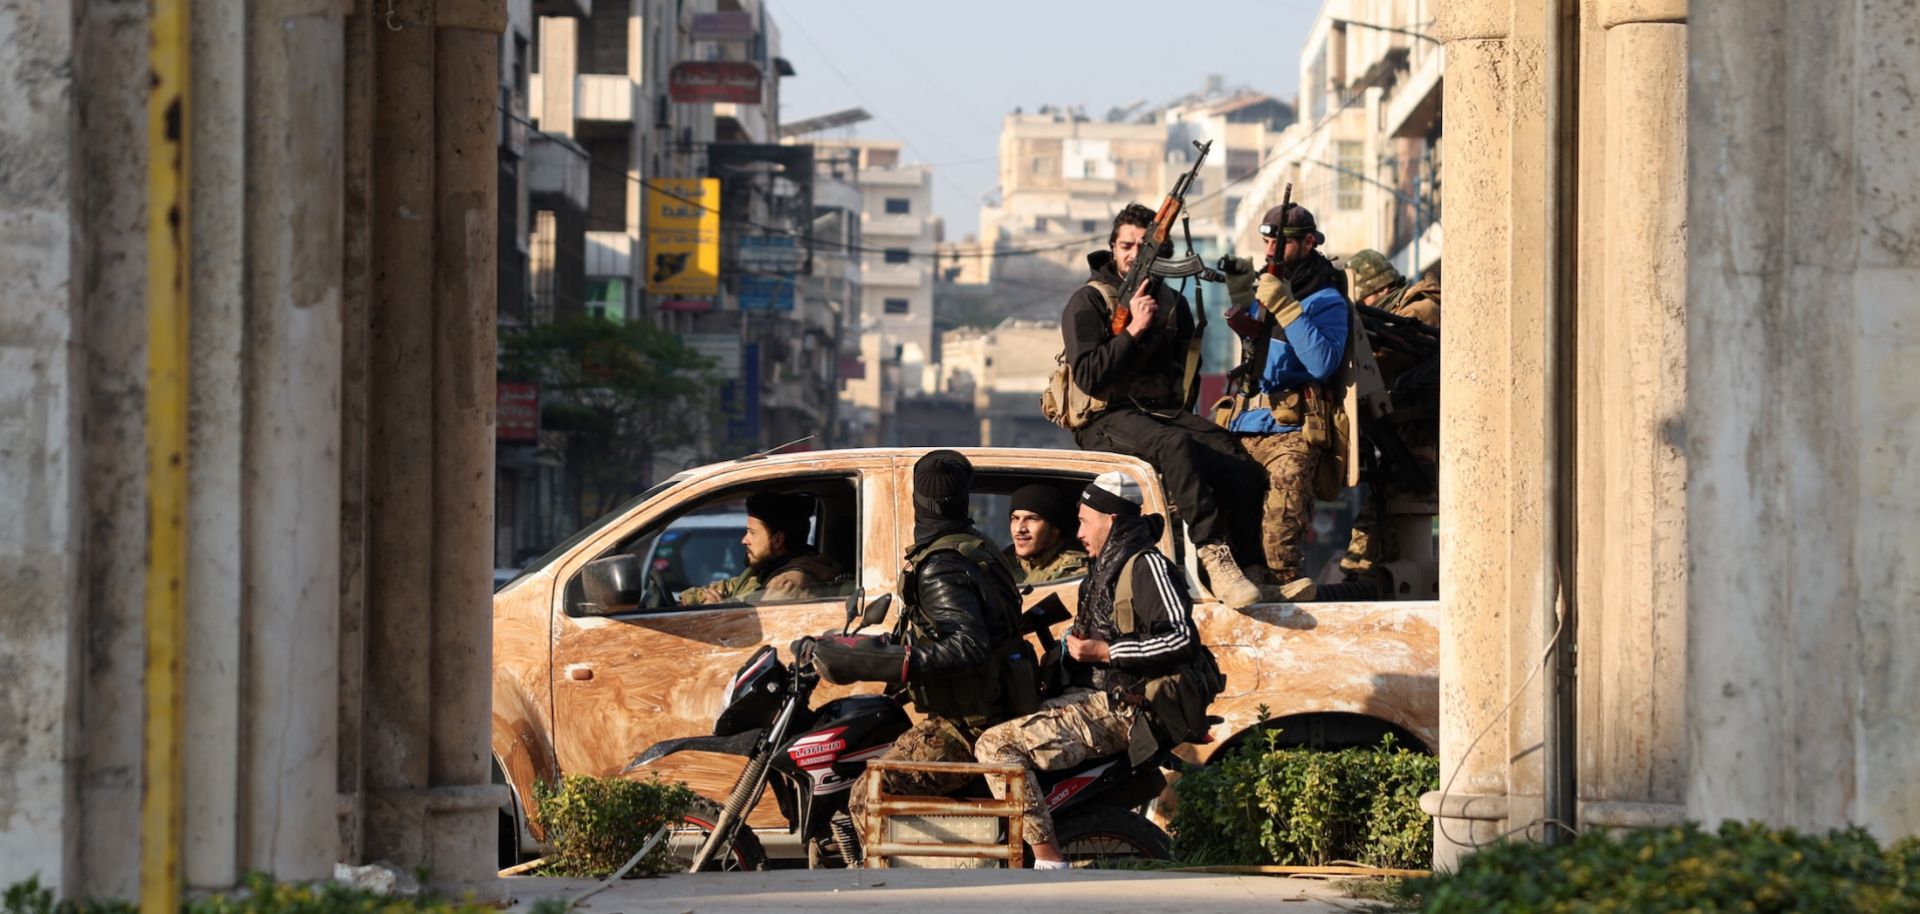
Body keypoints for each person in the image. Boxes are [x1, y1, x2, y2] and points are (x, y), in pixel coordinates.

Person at [808, 451, 1035, 860]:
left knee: (867, 793)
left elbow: (967, 643)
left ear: (918, 501)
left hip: (968, 723)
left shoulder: (941, 566)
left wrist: (901, 661)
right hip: (994, 703)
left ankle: (898, 889)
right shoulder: (977, 548)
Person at [973, 471, 1201, 868]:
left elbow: (1182, 638)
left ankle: (1048, 861)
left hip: (1124, 704)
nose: (1077, 533)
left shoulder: (1146, 565)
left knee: (997, 747)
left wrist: (1105, 651)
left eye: (1083, 521)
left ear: (1110, 519)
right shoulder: (1103, 566)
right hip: (1093, 694)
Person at [1059, 203, 1270, 608]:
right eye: (1126, 245)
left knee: (1237, 460)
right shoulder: (1088, 302)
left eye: (1145, 246)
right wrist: (1134, 330)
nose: (1135, 254)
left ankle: (1252, 567)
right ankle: (1213, 553)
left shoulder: (1172, 304)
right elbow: (1088, 375)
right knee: (1175, 447)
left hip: (1158, 414)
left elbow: (1184, 374)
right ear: (1112, 248)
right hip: (1104, 418)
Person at [1220, 203, 1352, 602]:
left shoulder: (1325, 299)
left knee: (1278, 543)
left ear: (1308, 243)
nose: (1270, 251)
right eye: (1265, 242)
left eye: (1280, 243)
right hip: (1246, 423)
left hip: (1291, 428)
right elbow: (1254, 357)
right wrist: (1244, 300)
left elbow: (1323, 362)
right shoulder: (1269, 287)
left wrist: (1287, 307)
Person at [1340, 249, 1441, 584]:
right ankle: (1359, 583)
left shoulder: (1423, 308)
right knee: (1370, 537)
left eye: (1363, 300)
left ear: (1381, 290)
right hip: (1401, 442)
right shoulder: (1394, 317)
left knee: (1395, 534)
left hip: (1424, 445)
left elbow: (1384, 359)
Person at [677, 493, 844, 605]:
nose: (744, 540)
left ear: (777, 540)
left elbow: (757, 630)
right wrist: (689, 600)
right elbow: (726, 588)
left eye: (752, 532)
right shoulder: (763, 572)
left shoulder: (790, 582)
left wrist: (717, 611)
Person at [1004, 483, 1089, 584]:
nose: (1019, 529)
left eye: (1032, 518)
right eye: (1015, 518)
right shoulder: (1002, 563)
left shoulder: (1074, 571)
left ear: (1055, 527)